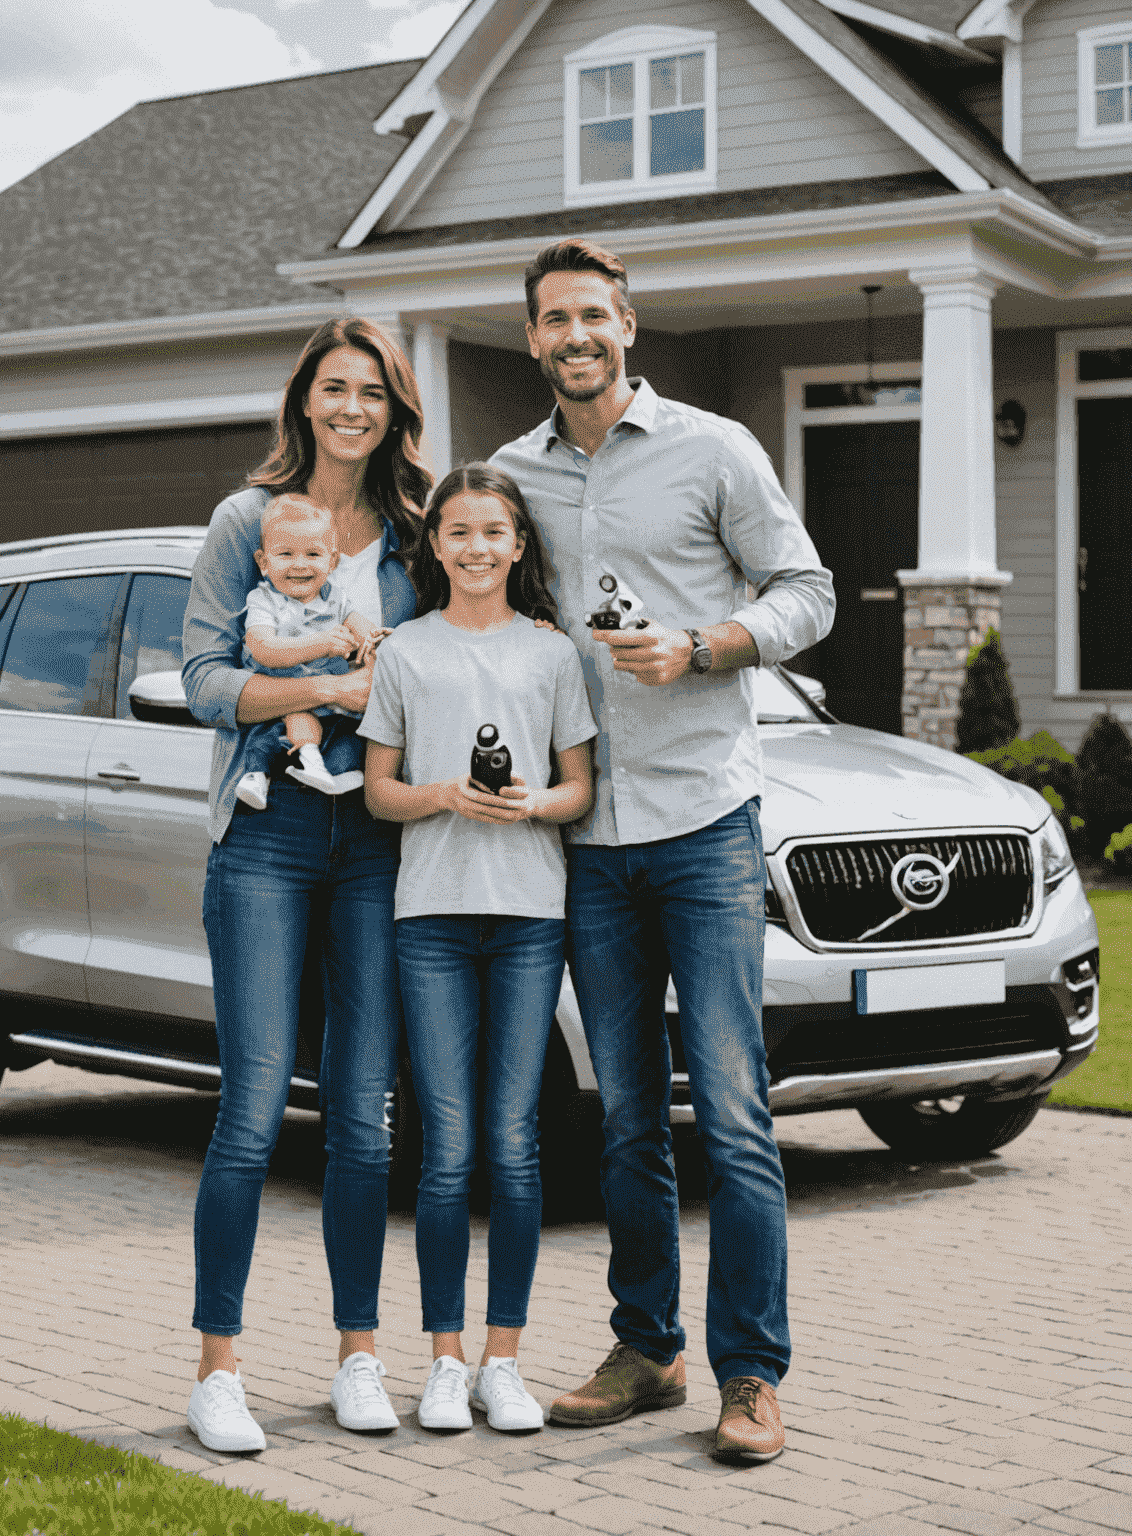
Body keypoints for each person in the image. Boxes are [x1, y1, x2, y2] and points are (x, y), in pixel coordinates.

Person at [490, 238, 835, 1463]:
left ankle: (752, 1376)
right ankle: (648, 1348)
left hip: (702, 824)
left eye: (594, 315)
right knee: (627, 1114)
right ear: (531, 339)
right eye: (553, 320)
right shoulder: (512, 477)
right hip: (586, 837)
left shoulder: (715, 449)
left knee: (733, 1111)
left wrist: (704, 644)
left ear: (626, 325)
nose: (575, 336)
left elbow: (808, 590)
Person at [180, 317, 432, 1454]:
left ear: (394, 407)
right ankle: (218, 1370)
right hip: (272, 830)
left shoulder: (417, 534)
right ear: (305, 400)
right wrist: (325, 691)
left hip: (377, 838)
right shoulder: (249, 520)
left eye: (371, 391)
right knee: (250, 1106)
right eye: (334, 388)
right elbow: (199, 678)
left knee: (366, 1120)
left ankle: (359, 1358)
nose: (351, 408)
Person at [360, 464, 597, 1434]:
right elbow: (379, 791)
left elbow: (576, 787)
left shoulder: (552, 655)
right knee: (448, 1150)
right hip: (434, 921)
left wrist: (532, 802)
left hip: (531, 916)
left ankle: (507, 1359)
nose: (476, 550)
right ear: (436, 545)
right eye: (457, 533)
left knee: (516, 1145)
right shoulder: (406, 653)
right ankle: (445, 1361)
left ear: (519, 545)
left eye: (494, 533)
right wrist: (445, 795)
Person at [234, 494, 389, 808]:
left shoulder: (336, 598)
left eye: (313, 554)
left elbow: (361, 627)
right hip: (286, 694)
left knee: (352, 733)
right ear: (264, 563)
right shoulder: (265, 601)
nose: (300, 564)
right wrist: (320, 644)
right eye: (286, 554)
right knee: (280, 731)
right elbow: (264, 649)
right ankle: (259, 775)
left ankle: (339, 771)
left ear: (331, 562)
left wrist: (378, 642)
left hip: (335, 706)